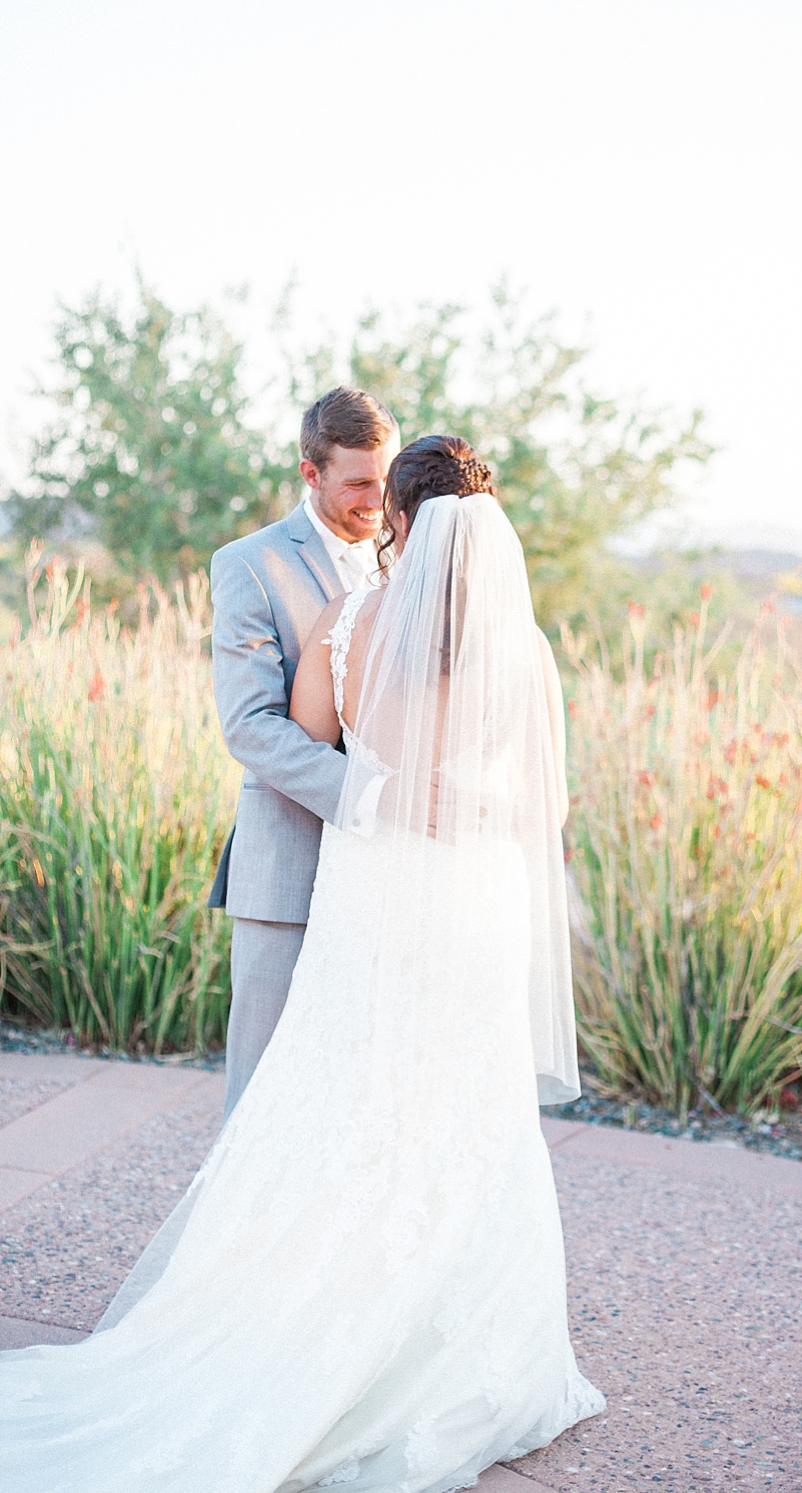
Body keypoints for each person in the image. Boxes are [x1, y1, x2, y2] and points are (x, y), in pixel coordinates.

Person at [0, 434, 604, 1491]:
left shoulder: (354, 618)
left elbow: (307, 738)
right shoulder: (527, 649)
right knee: (463, 1105)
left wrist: (384, 784)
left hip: (376, 896)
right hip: (473, 906)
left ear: (404, 525)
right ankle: (454, 1341)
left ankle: (305, 1316)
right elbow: (542, 808)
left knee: (350, 1095)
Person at [209, 386, 399, 1117]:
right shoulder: (249, 564)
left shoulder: (407, 562)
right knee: (261, 1096)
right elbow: (251, 725)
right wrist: (372, 796)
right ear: (309, 473)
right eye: (356, 482)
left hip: (383, 875)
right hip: (287, 861)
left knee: (351, 1090)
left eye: (384, 480)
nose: (375, 500)